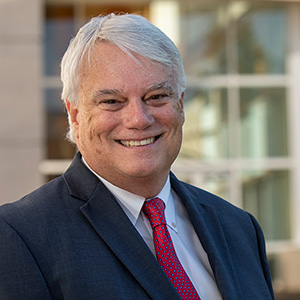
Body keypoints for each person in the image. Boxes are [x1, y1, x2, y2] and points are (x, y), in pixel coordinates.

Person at [0, 13, 274, 300]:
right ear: (76, 115)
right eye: (112, 102)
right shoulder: (20, 237)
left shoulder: (240, 229)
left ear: (180, 106)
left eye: (156, 96)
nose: (139, 119)